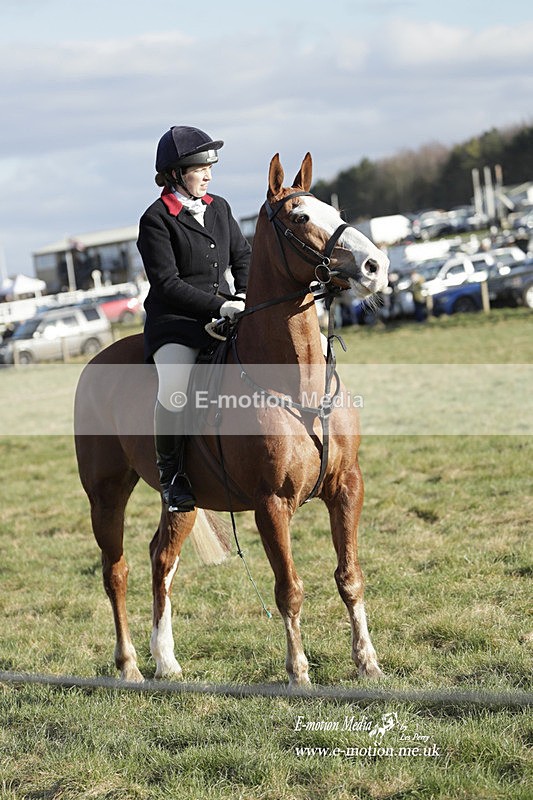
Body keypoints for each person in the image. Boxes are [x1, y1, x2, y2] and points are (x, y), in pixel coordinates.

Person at [137, 125, 251, 512]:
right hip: (175, 323)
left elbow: (243, 257)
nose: (208, 175)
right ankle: (171, 477)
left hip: (225, 310)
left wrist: (242, 295)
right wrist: (219, 307)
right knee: (175, 388)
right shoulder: (155, 219)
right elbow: (167, 284)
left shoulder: (220, 207)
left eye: (209, 168)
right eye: (200, 168)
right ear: (175, 174)